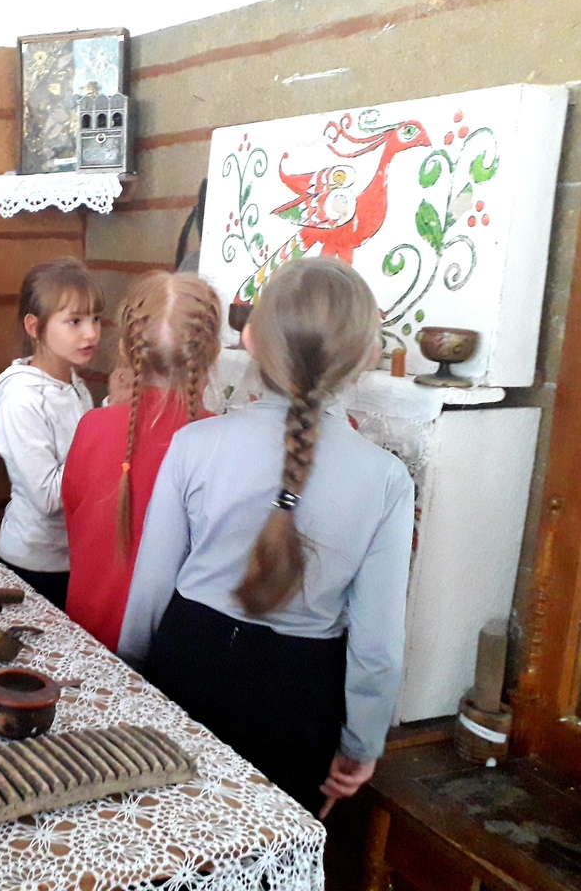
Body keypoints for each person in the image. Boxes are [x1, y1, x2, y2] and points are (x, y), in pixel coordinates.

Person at [119, 257, 414, 818]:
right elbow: (377, 645)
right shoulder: (386, 479)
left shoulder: (195, 444)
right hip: (299, 699)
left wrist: (130, 674)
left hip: (186, 663)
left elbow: (151, 587)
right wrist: (361, 744)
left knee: (164, 835)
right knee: (268, 847)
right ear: (365, 356)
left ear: (250, 338)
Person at [63, 271, 222, 652]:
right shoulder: (219, 443)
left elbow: (74, 523)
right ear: (213, 352)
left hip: (85, 627)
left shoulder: (93, 426)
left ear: (125, 347)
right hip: (168, 646)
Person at [0, 258, 104, 610]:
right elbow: (48, 497)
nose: (91, 333)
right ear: (34, 326)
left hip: (73, 556)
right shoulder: (22, 398)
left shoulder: (75, 384)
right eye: (75, 321)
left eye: (95, 319)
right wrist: (107, 438)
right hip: (34, 564)